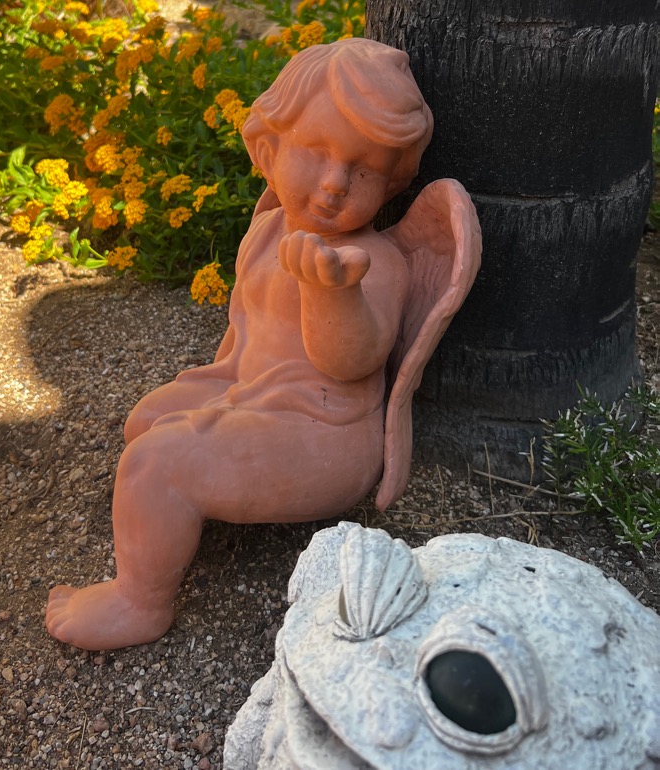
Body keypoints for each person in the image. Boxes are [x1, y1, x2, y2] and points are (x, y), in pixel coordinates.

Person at [45, 38, 436, 650]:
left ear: (390, 186)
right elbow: (245, 333)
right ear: (269, 147)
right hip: (255, 391)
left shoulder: (374, 262)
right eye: (316, 152)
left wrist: (331, 294)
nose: (335, 183)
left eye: (364, 171)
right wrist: (217, 394)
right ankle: (177, 510)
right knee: (145, 422)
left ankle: (139, 601)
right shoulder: (269, 226)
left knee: (156, 464)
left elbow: (352, 362)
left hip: (324, 435)